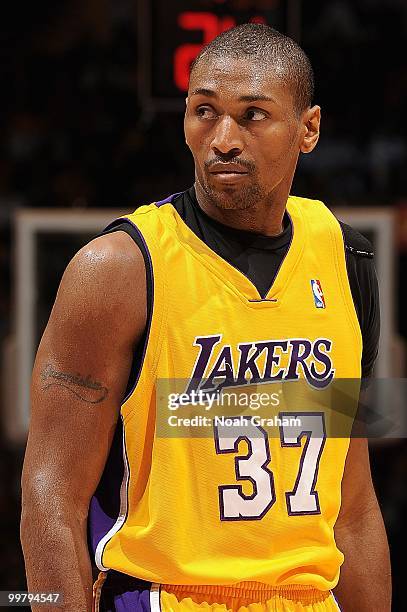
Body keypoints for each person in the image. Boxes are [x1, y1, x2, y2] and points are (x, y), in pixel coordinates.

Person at [21, 24, 391, 612]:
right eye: (204, 111)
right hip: (164, 597)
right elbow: (50, 493)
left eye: (252, 115)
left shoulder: (345, 259)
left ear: (309, 129)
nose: (223, 138)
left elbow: (356, 507)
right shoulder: (116, 267)